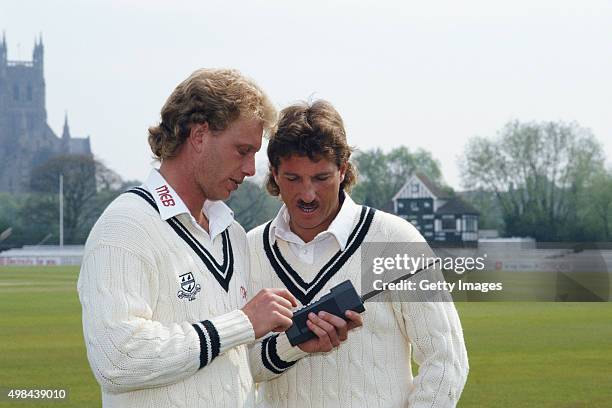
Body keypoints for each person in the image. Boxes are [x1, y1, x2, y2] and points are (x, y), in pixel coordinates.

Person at [77, 70, 357, 408]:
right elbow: (117, 359)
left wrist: (293, 344)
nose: (252, 169)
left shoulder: (232, 234)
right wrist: (243, 322)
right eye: (242, 150)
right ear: (198, 135)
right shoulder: (126, 226)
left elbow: (232, 363)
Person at [247, 100, 469, 407]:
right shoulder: (249, 249)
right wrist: (292, 344)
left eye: (321, 178)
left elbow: (447, 359)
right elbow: (239, 368)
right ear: (274, 173)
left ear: (343, 170)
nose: (307, 194)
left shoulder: (394, 241)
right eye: (293, 178)